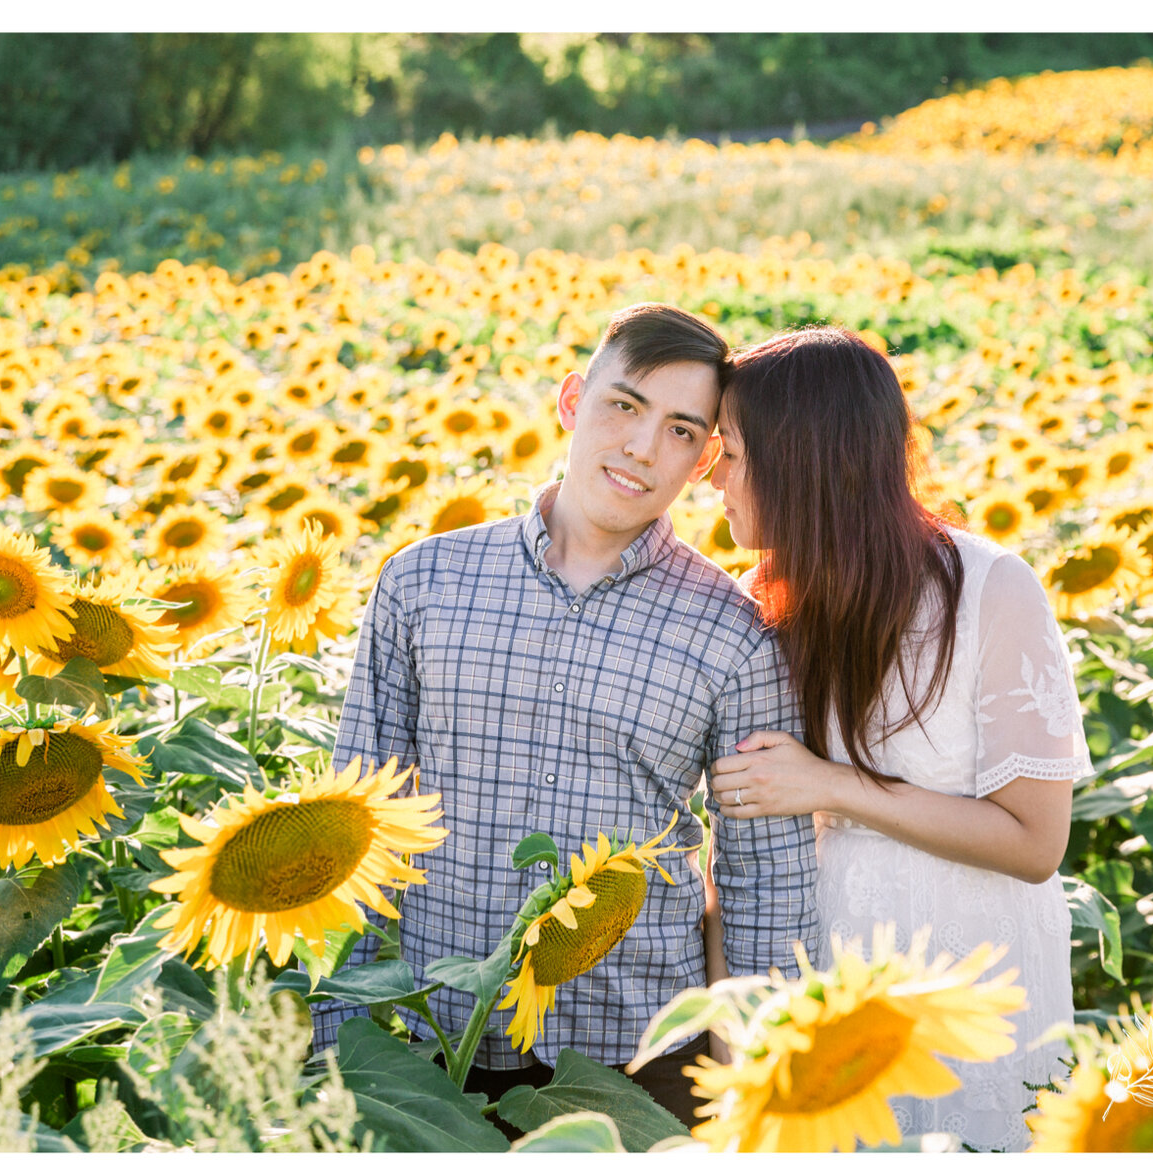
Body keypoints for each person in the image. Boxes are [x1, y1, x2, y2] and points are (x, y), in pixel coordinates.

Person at [316, 302, 817, 1128]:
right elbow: (359, 819)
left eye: (682, 430)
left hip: (636, 1057)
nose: (642, 449)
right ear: (572, 402)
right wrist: (342, 1041)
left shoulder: (732, 631)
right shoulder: (424, 583)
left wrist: (755, 1080)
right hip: (433, 1042)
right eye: (625, 406)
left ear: (703, 461)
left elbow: (764, 875)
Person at [699, 327, 1088, 1153]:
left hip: (975, 980)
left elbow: (1035, 841)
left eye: (729, 451)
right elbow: (729, 842)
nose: (711, 476)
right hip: (828, 988)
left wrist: (835, 787)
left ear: (800, 459)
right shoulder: (757, 605)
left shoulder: (989, 591)